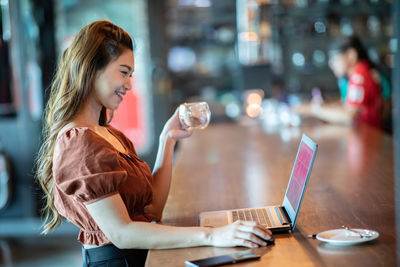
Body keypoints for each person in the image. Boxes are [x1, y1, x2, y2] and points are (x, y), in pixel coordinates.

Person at [35, 20, 272, 267]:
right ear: (92, 68)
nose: (128, 84)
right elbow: (122, 234)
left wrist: (167, 140)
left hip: (140, 256)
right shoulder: (79, 143)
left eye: (131, 75)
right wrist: (214, 234)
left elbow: (152, 211)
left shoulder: (108, 134)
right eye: (123, 72)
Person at [297, 36, 385, 130]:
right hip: (365, 133)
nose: (331, 64)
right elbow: (347, 105)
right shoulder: (358, 73)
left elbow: (349, 114)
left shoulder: (359, 75)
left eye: (334, 58)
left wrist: (313, 109)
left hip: (369, 135)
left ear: (351, 55)